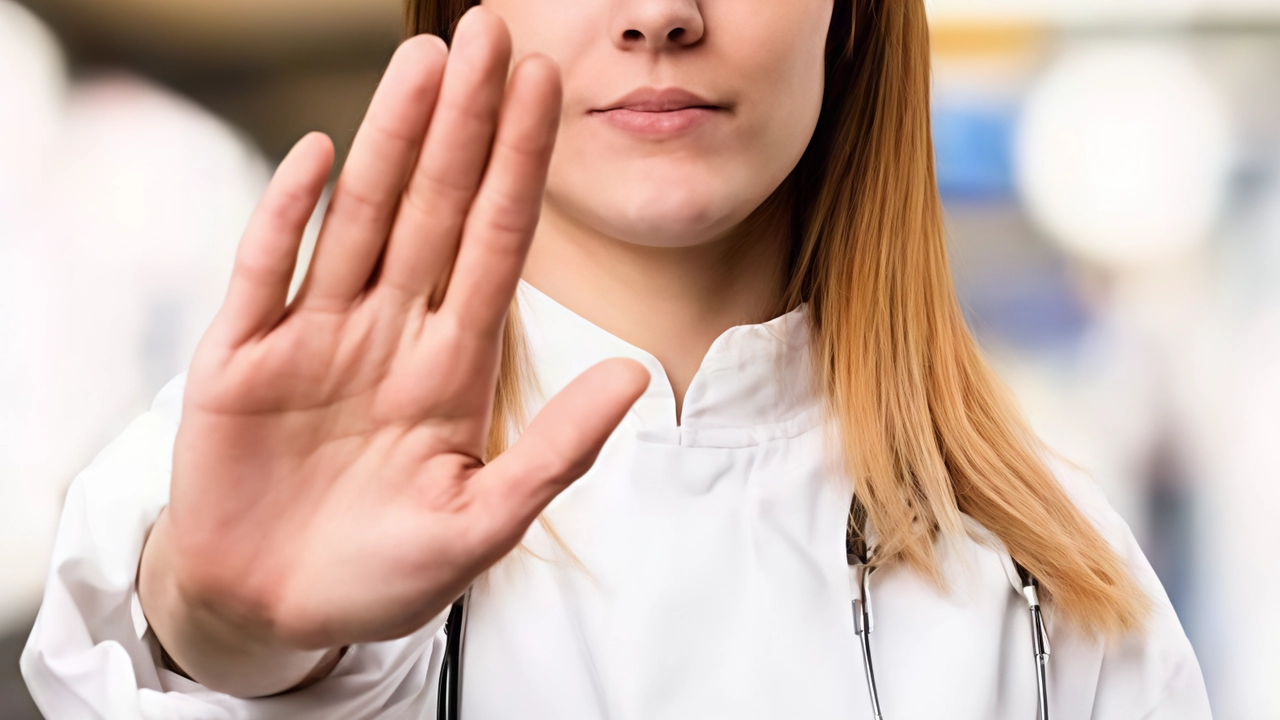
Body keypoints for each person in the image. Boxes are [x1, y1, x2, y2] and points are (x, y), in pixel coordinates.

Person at [22, 0, 1211, 717]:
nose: (659, 11)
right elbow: (160, 666)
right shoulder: (214, 487)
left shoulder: (1061, 582)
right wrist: (230, 629)